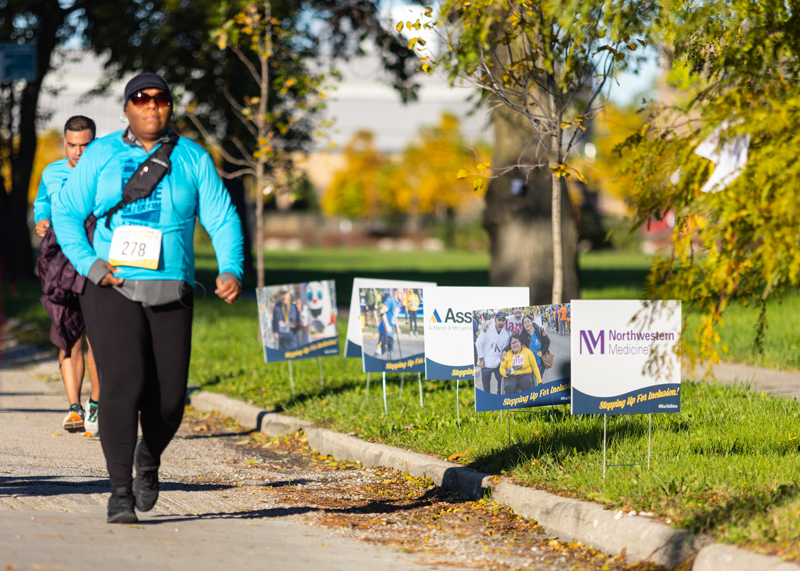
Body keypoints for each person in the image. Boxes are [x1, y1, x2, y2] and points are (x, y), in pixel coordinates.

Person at [51, 72, 243, 524]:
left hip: (171, 286)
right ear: (127, 109)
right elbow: (66, 210)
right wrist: (90, 264)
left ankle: (149, 456)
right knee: (123, 382)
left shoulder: (192, 157)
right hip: (110, 286)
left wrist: (231, 267)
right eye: (141, 98)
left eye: (160, 98)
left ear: (170, 107)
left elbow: (222, 217)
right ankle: (119, 491)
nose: (151, 105)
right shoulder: (101, 154)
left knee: (170, 398)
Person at [34, 115, 101, 435]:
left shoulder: (104, 171)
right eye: (72, 145)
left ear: (94, 143)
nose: (78, 151)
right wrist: (42, 218)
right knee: (68, 333)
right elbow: (42, 201)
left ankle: (96, 405)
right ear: (65, 143)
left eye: (84, 145)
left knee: (97, 338)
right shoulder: (51, 172)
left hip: (96, 260)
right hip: (61, 264)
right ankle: (74, 408)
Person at [475, 311, 509, 393]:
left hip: (498, 364)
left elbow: (505, 348)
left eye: (503, 320)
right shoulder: (487, 329)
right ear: (495, 320)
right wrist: (481, 359)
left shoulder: (506, 335)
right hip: (486, 364)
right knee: (486, 388)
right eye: (499, 320)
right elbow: (478, 343)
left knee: (501, 384)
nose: (501, 323)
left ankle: (498, 397)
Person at [377, 288, 404, 358]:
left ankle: (388, 364)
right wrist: (387, 326)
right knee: (380, 351)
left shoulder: (399, 302)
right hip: (384, 331)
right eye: (401, 293)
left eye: (403, 293)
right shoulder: (390, 300)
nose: (402, 295)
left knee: (390, 351)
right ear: (396, 292)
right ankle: (373, 362)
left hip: (391, 332)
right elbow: (382, 312)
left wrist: (397, 328)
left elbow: (395, 316)